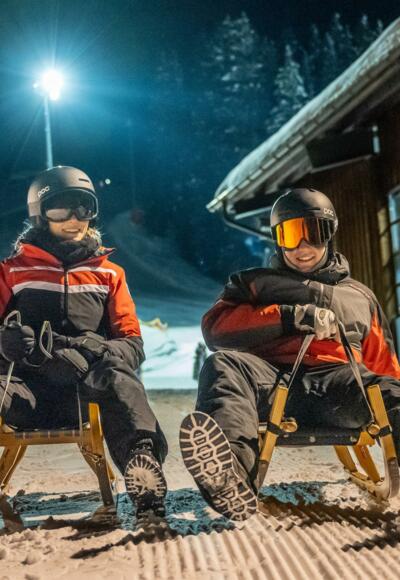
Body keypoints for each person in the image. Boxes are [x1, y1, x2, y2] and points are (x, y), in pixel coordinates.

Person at [179, 188, 400, 521]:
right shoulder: (255, 283)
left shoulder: (359, 297)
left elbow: (383, 361)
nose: (302, 247)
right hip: (271, 381)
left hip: (338, 386)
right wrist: (290, 316)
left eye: (314, 233)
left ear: (330, 234)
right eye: (291, 235)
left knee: (389, 393)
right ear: (278, 239)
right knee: (223, 366)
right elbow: (216, 328)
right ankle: (230, 475)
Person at [0, 166, 168, 519]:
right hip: (25, 392)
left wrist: (98, 349)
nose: (74, 219)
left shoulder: (109, 274)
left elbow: (132, 344)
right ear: (40, 213)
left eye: (84, 208)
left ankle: (143, 468)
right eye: (61, 209)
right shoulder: (12, 271)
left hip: (86, 394)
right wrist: (6, 343)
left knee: (117, 376)